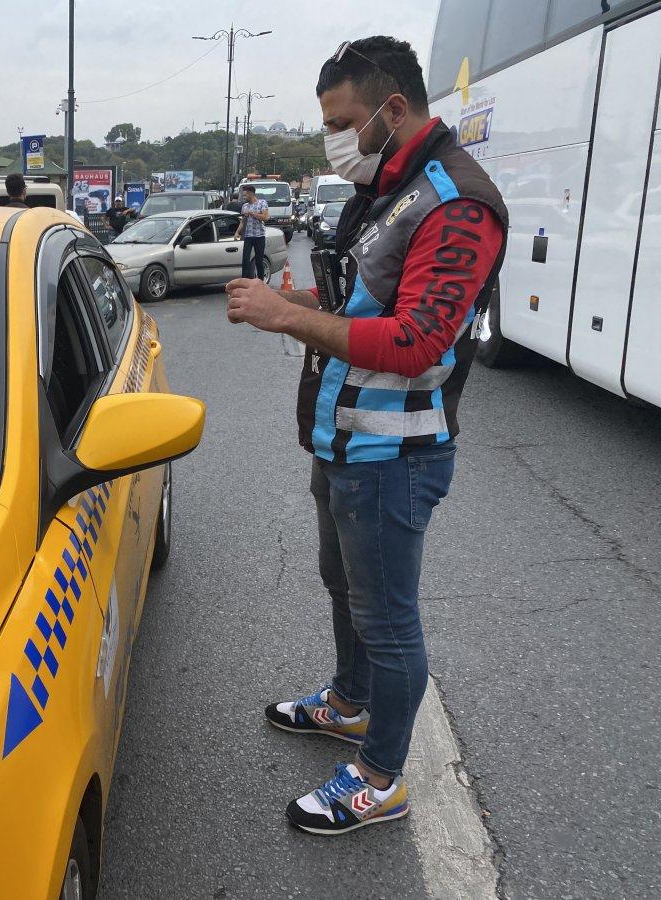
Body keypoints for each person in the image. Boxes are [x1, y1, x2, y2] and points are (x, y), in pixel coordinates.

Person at [224, 35, 508, 835]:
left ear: (393, 108)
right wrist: (306, 299)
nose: (334, 138)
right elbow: (364, 301)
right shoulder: (391, 186)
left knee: (388, 618)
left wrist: (288, 316)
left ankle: (381, 778)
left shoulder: (456, 200)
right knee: (342, 586)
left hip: (395, 453)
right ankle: (349, 704)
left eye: (343, 121)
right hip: (343, 438)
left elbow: (420, 339)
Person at [233, 184, 269, 278]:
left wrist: (253, 214)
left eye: (245, 195)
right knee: (245, 259)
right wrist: (237, 232)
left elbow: (266, 218)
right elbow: (243, 221)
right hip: (248, 236)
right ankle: (245, 279)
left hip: (259, 236)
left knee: (258, 260)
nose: (244, 197)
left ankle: (260, 280)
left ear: (251, 194)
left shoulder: (262, 203)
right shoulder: (245, 206)